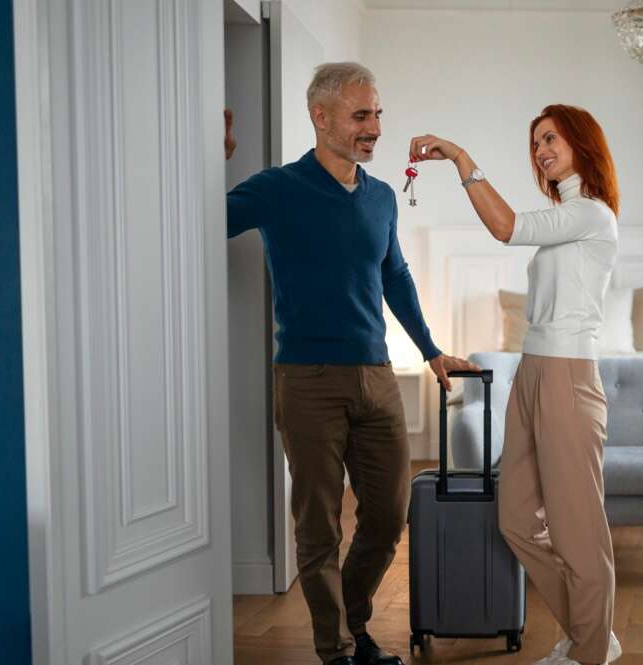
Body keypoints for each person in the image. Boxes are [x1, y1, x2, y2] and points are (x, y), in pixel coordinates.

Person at [225, 62, 477, 665]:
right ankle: (338, 650)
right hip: (307, 379)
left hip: (376, 373)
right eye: (362, 115)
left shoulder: (382, 196)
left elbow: (395, 276)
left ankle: (354, 622)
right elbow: (195, 222)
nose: (375, 128)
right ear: (321, 116)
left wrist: (430, 349)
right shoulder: (276, 187)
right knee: (318, 527)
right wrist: (213, 157)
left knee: (389, 515)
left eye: (378, 114)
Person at [408, 104, 622, 665]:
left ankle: (591, 649)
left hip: (569, 378)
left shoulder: (593, 214)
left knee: (579, 531)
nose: (541, 150)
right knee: (516, 518)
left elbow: (507, 227)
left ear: (581, 142)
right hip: (532, 371)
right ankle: (590, 630)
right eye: (535, 143)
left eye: (550, 138)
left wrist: (458, 156)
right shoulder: (566, 219)